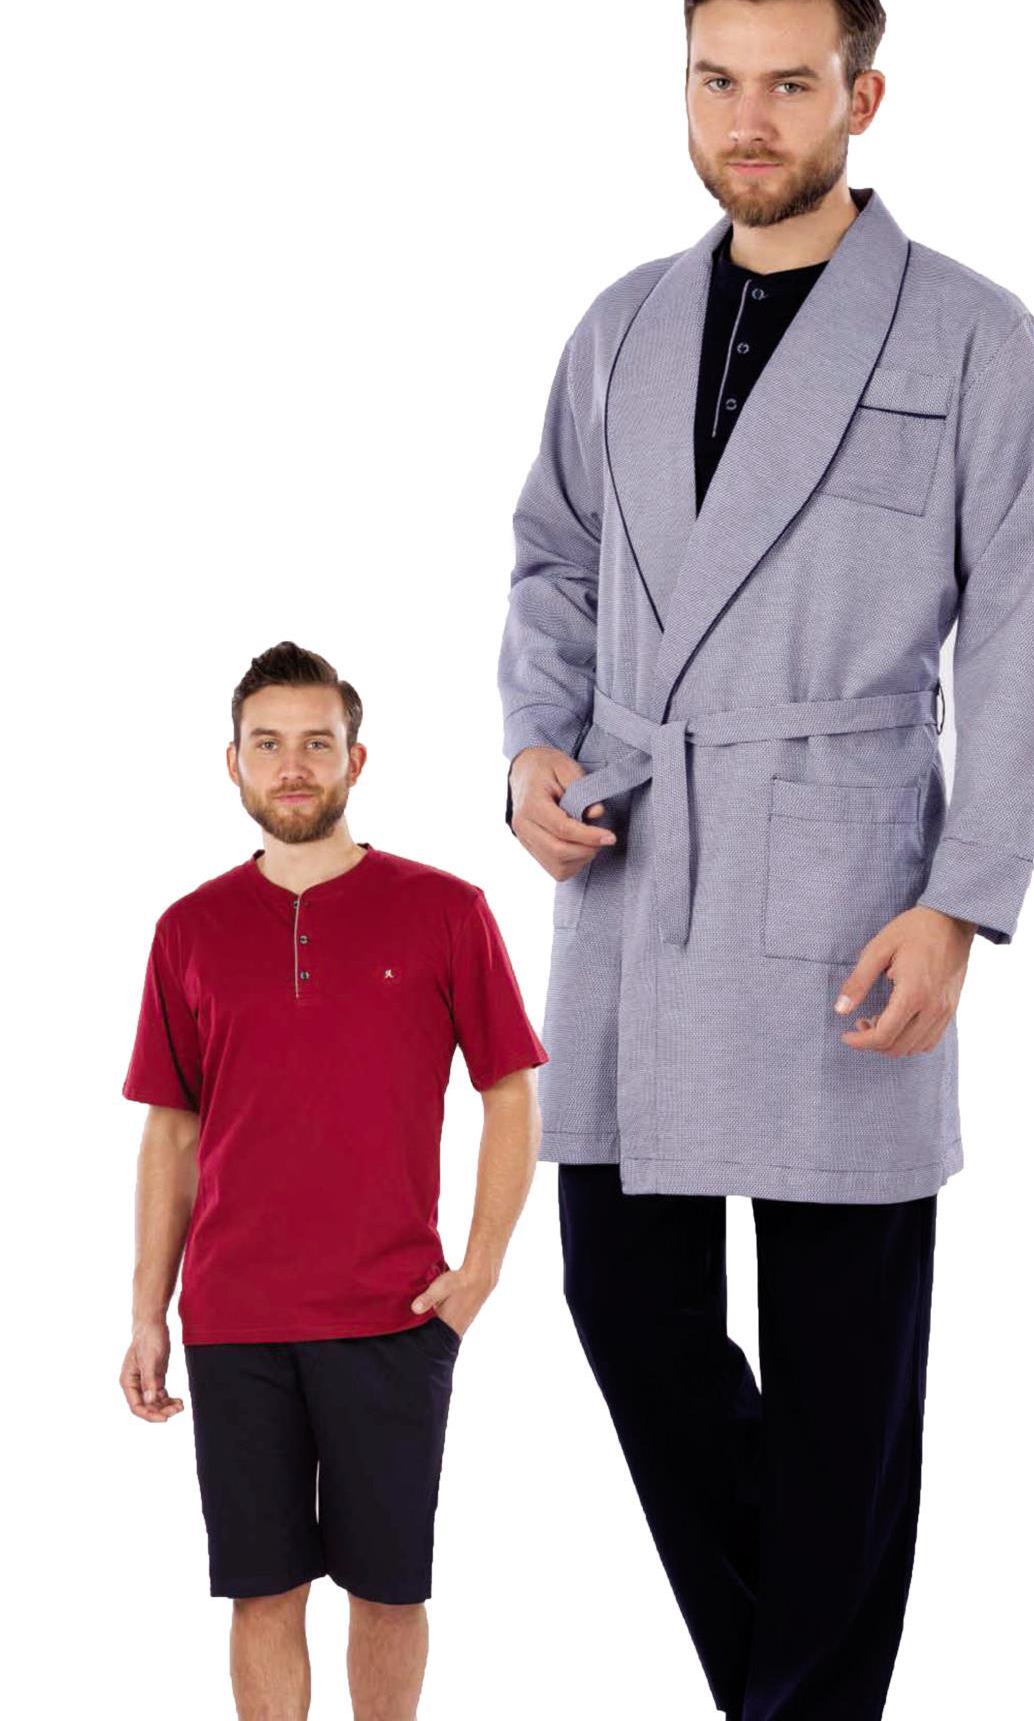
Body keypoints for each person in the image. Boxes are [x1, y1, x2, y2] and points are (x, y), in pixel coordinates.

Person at [498, 0, 1034, 1718]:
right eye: (717, 80)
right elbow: (553, 562)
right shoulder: (619, 326)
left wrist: (963, 901)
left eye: (790, 83)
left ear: (862, 96)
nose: (749, 120)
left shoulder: (973, 332)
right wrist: (530, 752)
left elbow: (1030, 623)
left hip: (848, 887)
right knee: (624, 1306)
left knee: (843, 1370)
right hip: (634, 868)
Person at [119, 640, 547, 1721]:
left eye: (317, 743)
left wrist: (481, 1270)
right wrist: (148, 1312)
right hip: (234, 1319)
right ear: (234, 763)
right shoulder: (188, 930)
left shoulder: (446, 909)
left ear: (357, 760)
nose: (294, 766)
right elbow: (171, 1132)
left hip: (394, 1313)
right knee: (262, 1594)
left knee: (389, 1592)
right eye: (269, 745)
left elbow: (509, 1090)